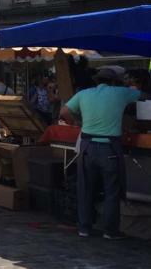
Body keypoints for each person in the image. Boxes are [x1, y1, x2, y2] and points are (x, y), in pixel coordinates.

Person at [60, 66, 142, 240]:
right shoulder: (121, 92)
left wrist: (78, 121)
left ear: (96, 80)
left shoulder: (84, 94)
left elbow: (64, 112)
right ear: (114, 81)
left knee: (85, 189)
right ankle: (110, 231)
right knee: (111, 190)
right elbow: (141, 95)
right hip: (109, 148)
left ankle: (84, 228)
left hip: (87, 146)